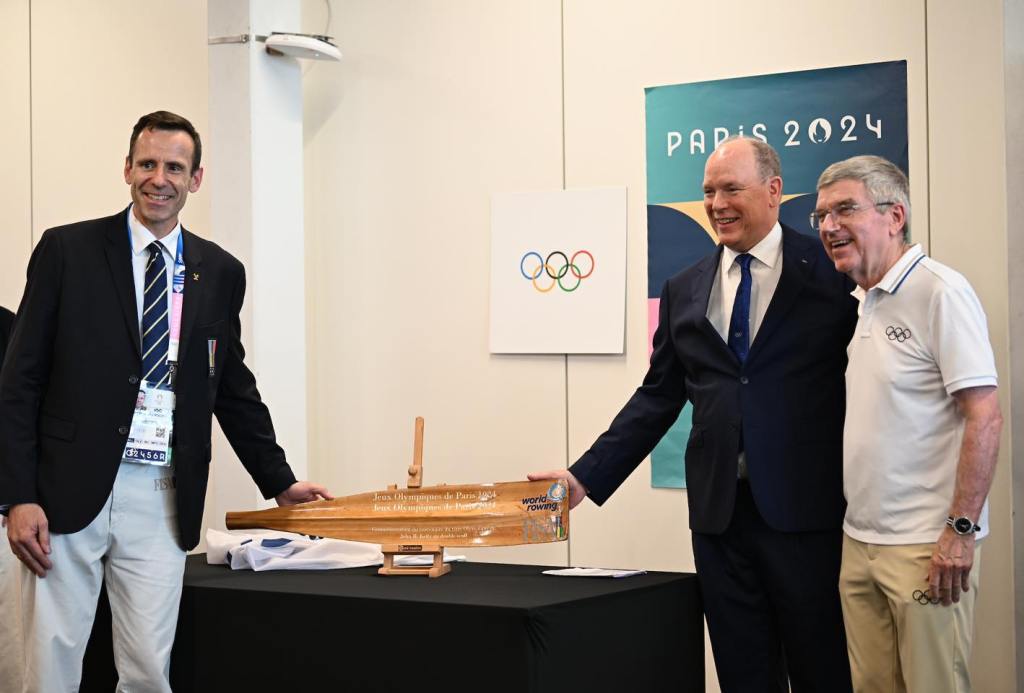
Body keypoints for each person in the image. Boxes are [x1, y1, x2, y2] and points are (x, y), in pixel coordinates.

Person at [0, 111, 332, 692]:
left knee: (150, 670)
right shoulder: (67, 250)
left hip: (162, 493)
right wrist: (17, 496)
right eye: (148, 164)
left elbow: (232, 386)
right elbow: (19, 380)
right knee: (49, 666)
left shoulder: (220, 271)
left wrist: (279, 480)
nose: (160, 179)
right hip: (65, 489)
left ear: (195, 179)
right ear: (127, 169)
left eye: (175, 168)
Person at [531, 136, 857, 691]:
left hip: (808, 517)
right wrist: (583, 476)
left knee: (822, 672)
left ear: (774, 190)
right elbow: (657, 397)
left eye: (731, 189)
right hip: (719, 521)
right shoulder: (683, 288)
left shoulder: (832, 275)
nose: (717, 204)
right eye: (708, 192)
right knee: (743, 674)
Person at [814, 155, 1002, 692]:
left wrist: (960, 532)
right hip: (860, 542)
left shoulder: (941, 291)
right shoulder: (863, 300)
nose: (829, 226)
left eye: (845, 209)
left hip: (926, 547)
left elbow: (985, 416)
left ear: (895, 216)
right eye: (822, 215)